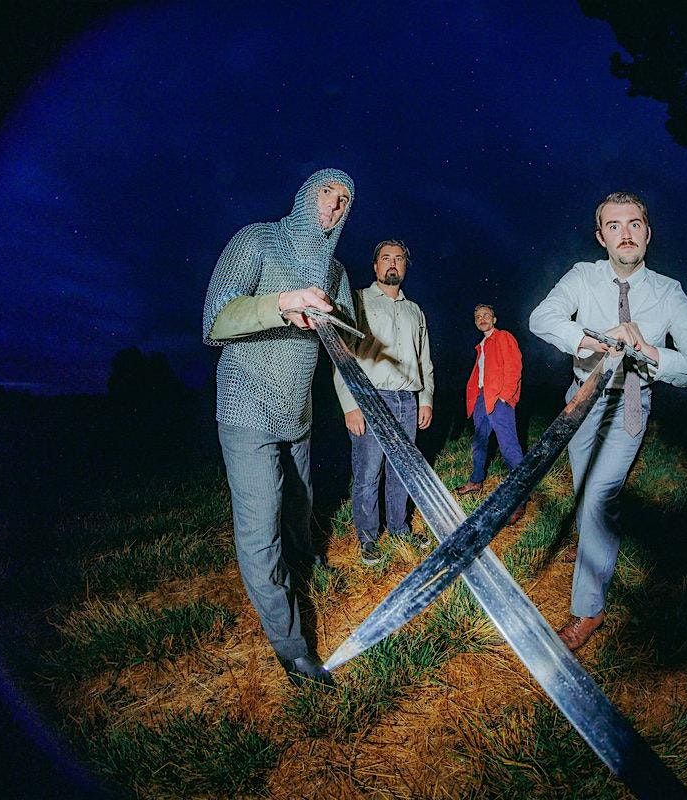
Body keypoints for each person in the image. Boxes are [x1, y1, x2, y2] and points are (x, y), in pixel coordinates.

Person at [529, 191, 687, 651]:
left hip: (628, 406)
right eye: (614, 226)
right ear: (601, 238)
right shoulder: (583, 276)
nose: (626, 234)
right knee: (583, 486)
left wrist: (650, 352)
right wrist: (598, 339)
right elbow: (542, 317)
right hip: (582, 399)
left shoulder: (668, 291)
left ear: (648, 233)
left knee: (599, 495)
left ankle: (588, 611)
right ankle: (591, 543)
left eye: (634, 224)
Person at [201, 169, 355, 687]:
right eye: (326, 194)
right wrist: (284, 302)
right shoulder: (257, 240)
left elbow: (348, 346)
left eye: (344, 201)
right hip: (246, 406)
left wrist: (338, 326)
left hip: (298, 412)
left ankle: (306, 566)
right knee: (261, 529)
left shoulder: (335, 271)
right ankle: (293, 650)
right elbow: (214, 320)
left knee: (301, 505)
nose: (333, 206)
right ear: (305, 194)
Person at [333, 240, 435, 564]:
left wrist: (426, 399)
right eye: (386, 258)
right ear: (375, 266)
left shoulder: (414, 310)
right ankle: (367, 537)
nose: (393, 263)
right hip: (370, 398)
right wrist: (350, 404)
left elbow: (425, 362)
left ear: (405, 267)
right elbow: (341, 355)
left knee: (401, 470)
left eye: (399, 258)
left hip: (408, 400)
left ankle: (399, 528)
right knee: (368, 471)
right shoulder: (359, 301)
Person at [456, 304, 526, 524]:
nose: (482, 319)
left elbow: (514, 367)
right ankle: (476, 481)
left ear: (494, 319)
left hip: (498, 399)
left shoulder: (504, 337)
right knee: (479, 442)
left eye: (486, 315)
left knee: (509, 447)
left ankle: (520, 498)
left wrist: (504, 397)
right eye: (478, 316)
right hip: (481, 399)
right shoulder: (482, 345)